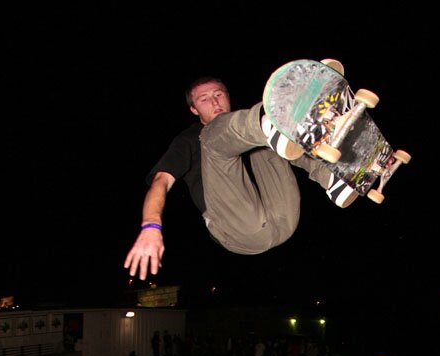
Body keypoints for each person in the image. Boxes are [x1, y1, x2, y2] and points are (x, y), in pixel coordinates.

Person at [124, 74, 357, 280]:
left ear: (228, 96)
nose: (215, 102)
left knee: (268, 142)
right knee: (214, 134)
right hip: (238, 231)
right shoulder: (187, 140)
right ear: (194, 109)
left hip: (284, 219)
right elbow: (161, 182)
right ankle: (269, 123)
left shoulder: (248, 128)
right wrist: (150, 226)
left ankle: (333, 179)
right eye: (204, 99)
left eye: (218, 94)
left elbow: (289, 153)